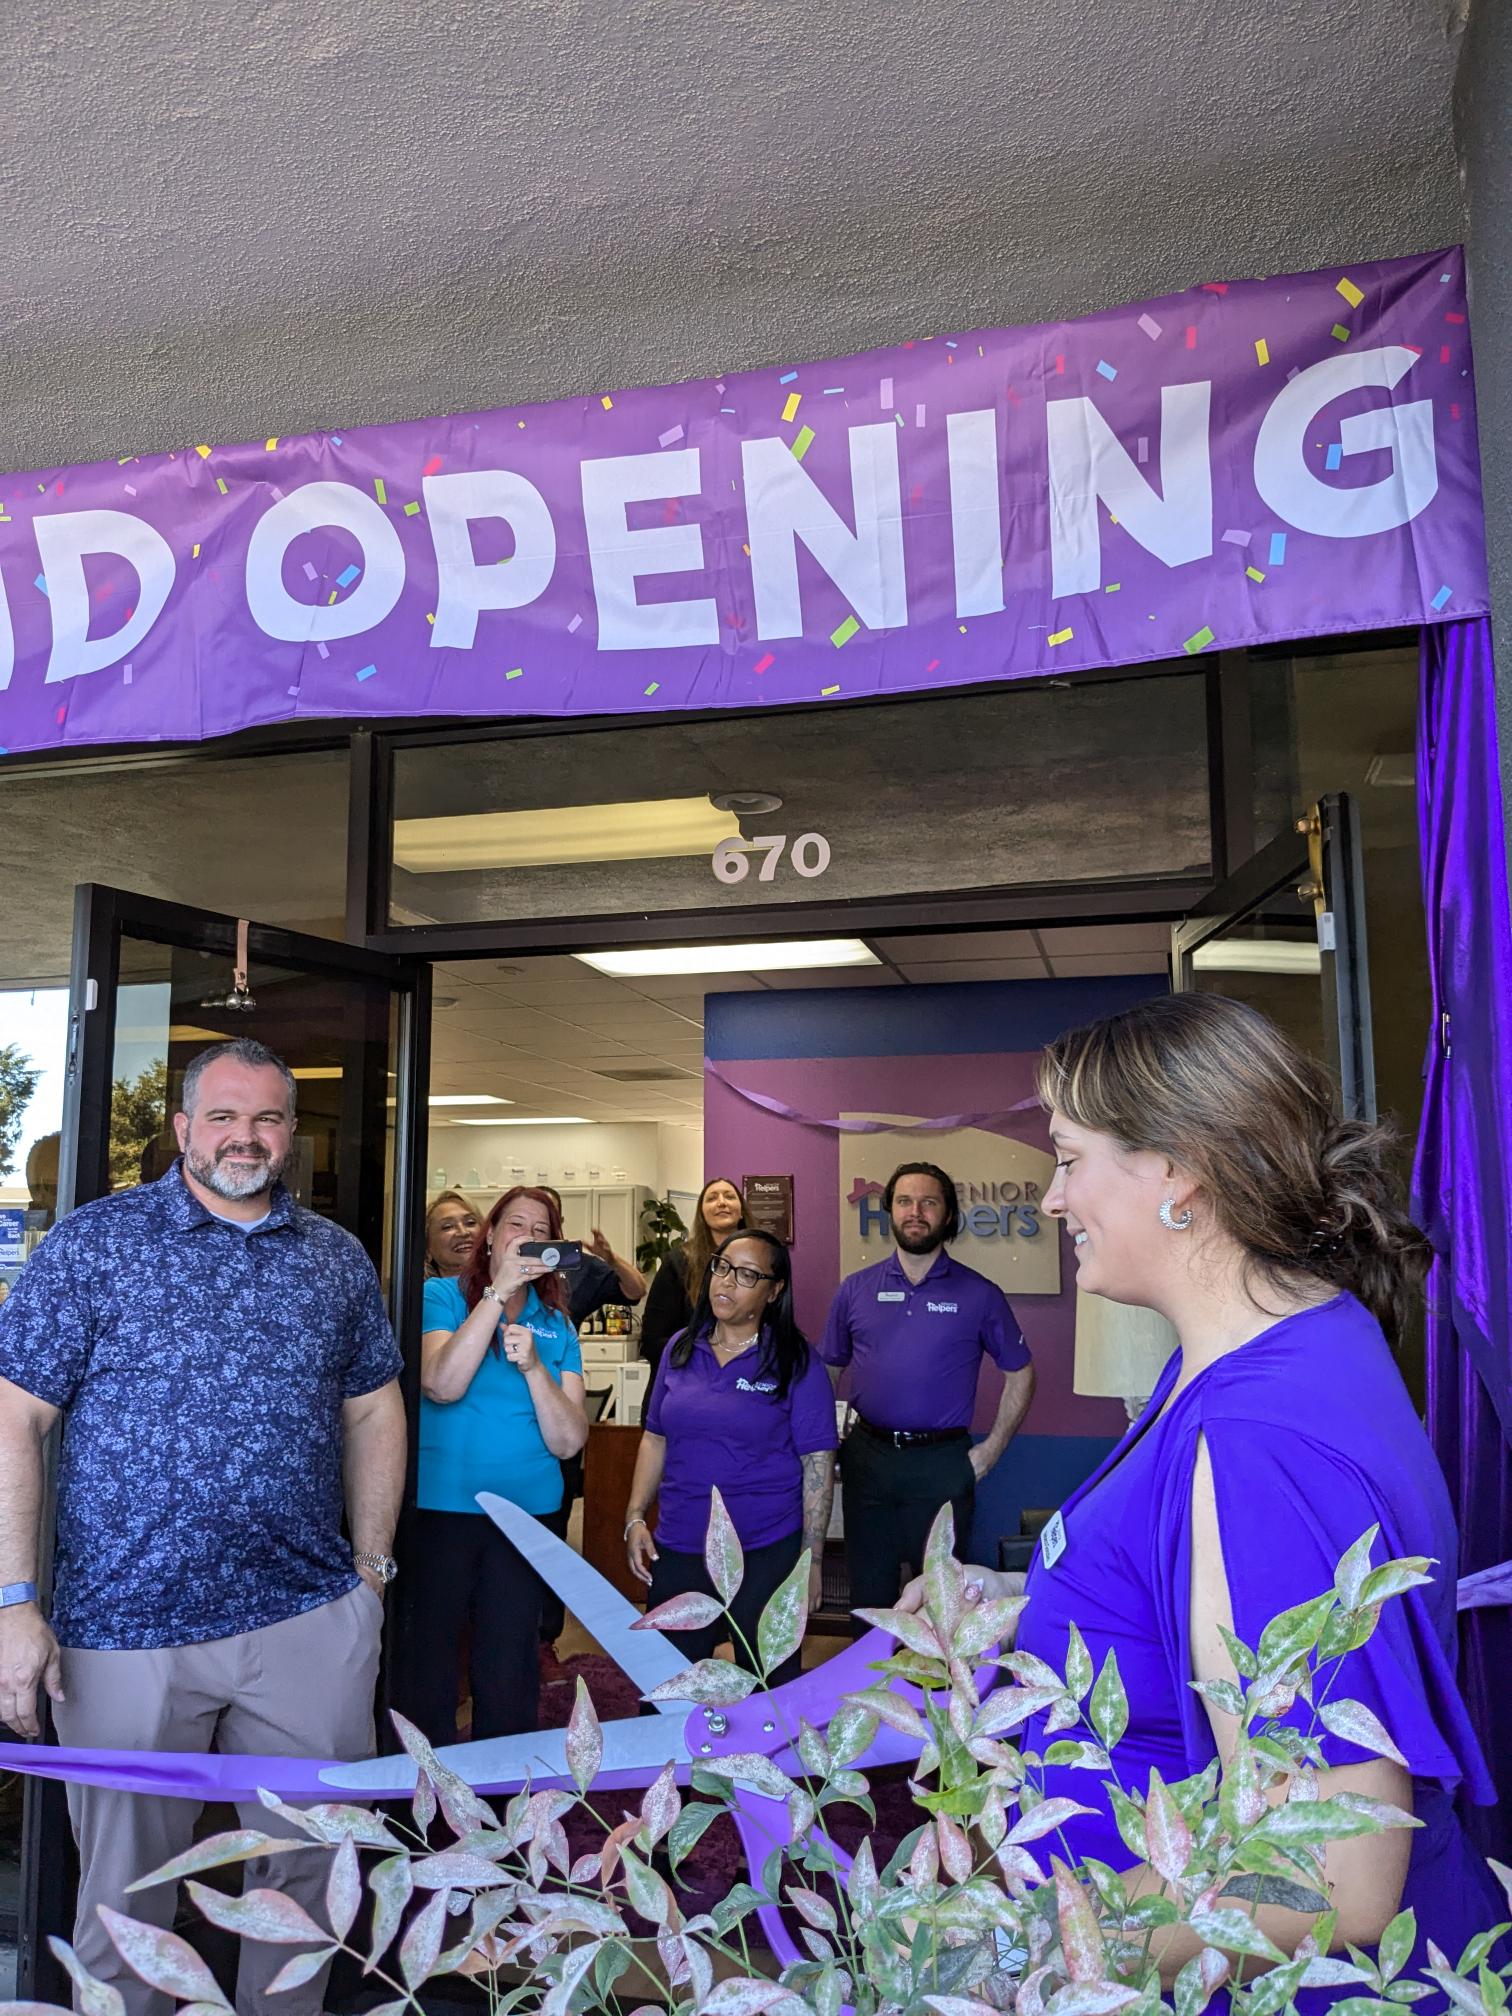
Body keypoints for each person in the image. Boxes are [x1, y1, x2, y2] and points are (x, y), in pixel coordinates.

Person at [902, 993, 1503, 1991]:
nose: (1052, 1199)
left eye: (1067, 1157)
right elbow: (1205, 1598)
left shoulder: (1257, 1434)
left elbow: (1328, 1871)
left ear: (1177, 1170)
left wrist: (1011, 1956)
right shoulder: (1273, 1342)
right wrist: (1026, 1608)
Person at [0, 1038, 406, 2016]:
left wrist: (370, 1573)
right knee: (129, 1906)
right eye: (223, 1115)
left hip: (308, 1616)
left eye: (268, 1117)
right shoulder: (94, 1246)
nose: (246, 1135)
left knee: (306, 1888)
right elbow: (14, 1419)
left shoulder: (333, 1259)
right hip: (128, 1625)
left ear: (290, 1136)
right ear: (183, 1127)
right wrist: (15, 1601)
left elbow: (374, 1408)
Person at [405, 1185, 588, 1741]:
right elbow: (439, 1383)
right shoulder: (440, 1295)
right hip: (443, 1507)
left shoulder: (557, 1324)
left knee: (509, 1662)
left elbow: (568, 1441)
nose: (527, 1238)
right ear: (491, 1237)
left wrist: (535, 1369)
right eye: (516, 1226)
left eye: (540, 1230)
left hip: (526, 1514)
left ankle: (505, 1800)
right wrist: (495, 1296)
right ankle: (418, 1796)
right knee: (427, 1660)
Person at [819, 1161, 1035, 1613]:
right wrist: (825, 1446)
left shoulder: (979, 1294)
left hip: (943, 1464)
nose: (915, 1211)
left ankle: (936, 1688)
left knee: (940, 1600)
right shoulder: (855, 1290)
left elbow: (1021, 1371)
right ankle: (867, 1681)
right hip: (868, 1460)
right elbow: (829, 1372)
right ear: (889, 1211)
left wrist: (991, 1450)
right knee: (870, 1596)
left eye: (928, 1202)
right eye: (904, 1201)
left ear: (947, 1215)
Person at [624, 1228, 836, 1685]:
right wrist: (635, 1516)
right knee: (667, 1687)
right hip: (681, 1544)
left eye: (746, 1274)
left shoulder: (796, 1361)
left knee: (769, 1688)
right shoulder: (680, 1348)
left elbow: (817, 1462)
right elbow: (655, 1437)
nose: (725, 1282)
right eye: (721, 1267)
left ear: (774, 1291)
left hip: (765, 1550)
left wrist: (811, 1563)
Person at [638, 1176, 747, 1375]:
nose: (722, 1202)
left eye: (729, 1196)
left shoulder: (761, 1262)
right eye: (712, 1198)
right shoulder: (679, 1262)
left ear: (741, 1211)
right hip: (688, 1377)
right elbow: (653, 1340)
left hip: (745, 1375)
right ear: (701, 1213)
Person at [538, 1187, 647, 1328]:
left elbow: (637, 1290)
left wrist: (613, 1260)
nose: (540, 1223)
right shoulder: (507, 1263)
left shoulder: (581, 1266)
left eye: (549, 1215)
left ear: (560, 1221)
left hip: (564, 1348)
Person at [425, 1189, 481, 1277]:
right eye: (448, 1227)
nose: (463, 1232)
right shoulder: (427, 1290)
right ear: (428, 1249)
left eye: (470, 1222)